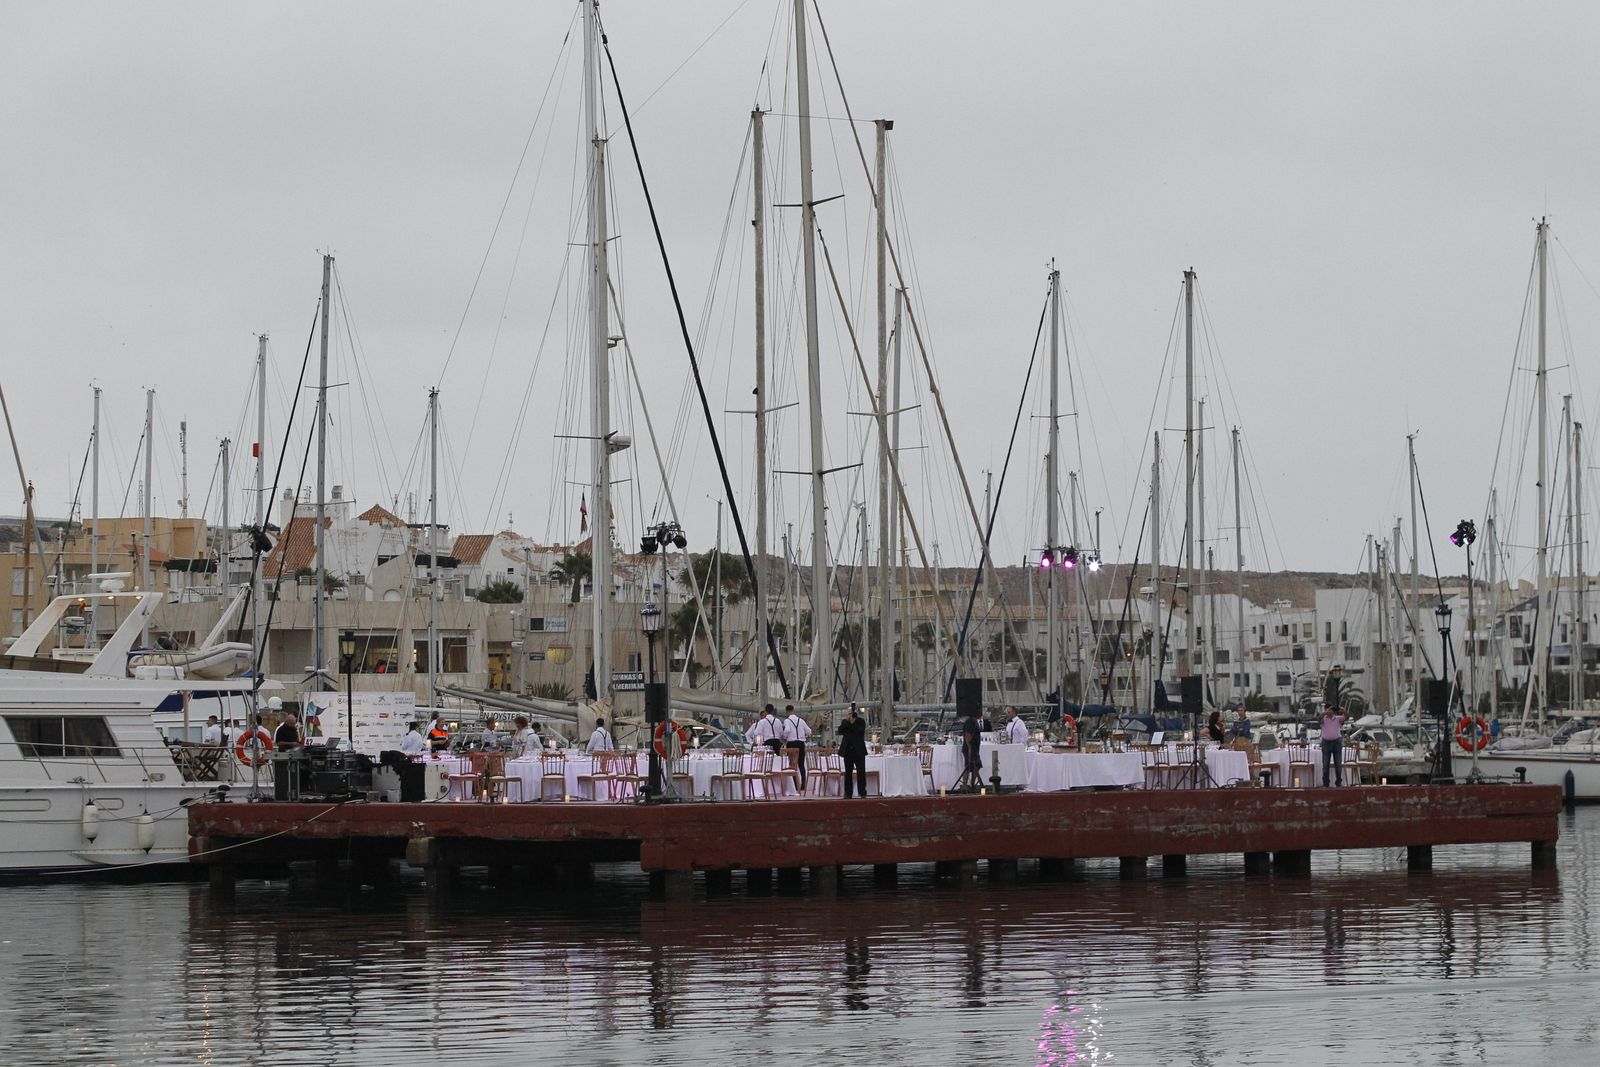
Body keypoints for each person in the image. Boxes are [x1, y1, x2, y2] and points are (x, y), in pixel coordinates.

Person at [837, 703, 868, 798]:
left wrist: (853, 722)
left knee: (861, 771)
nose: (850, 715)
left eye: (851, 713)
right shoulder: (845, 722)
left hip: (859, 750)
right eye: (848, 713)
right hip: (848, 751)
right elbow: (840, 731)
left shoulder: (861, 722)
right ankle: (848, 793)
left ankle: (862, 792)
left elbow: (859, 731)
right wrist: (848, 721)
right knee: (848, 772)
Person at [783, 704, 812, 791]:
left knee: (792, 765)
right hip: (801, 743)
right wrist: (805, 735)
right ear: (793, 711)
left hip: (791, 744)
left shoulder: (787, 721)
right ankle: (803, 784)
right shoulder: (801, 720)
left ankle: (795, 785)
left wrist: (785, 736)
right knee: (801, 764)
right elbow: (809, 731)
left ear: (787, 712)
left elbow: (787, 730)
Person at [956, 708, 984, 791]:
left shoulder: (974, 722)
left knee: (975, 765)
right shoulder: (970, 722)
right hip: (970, 747)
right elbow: (967, 735)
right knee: (969, 766)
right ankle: (966, 784)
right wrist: (969, 748)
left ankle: (971, 783)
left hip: (974, 747)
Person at [1320, 703, 1346, 787]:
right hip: (1326, 743)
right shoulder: (1323, 719)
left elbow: (1346, 717)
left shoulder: (1338, 718)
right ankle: (1325, 783)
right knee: (1325, 764)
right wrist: (1325, 713)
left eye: (1331, 709)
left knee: (1338, 763)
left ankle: (1338, 782)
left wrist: (1344, 711)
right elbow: (1318, 718)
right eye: (1328, 709)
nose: (1329, 711)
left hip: (1337, 742)